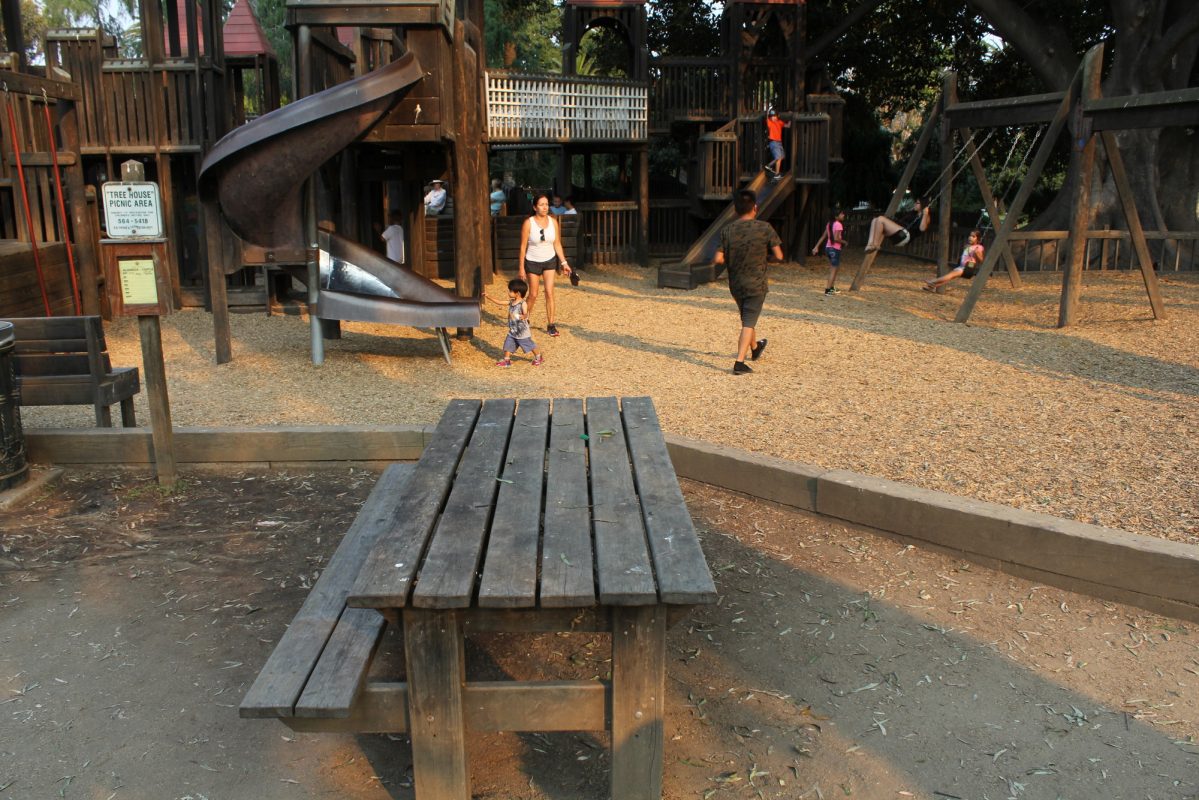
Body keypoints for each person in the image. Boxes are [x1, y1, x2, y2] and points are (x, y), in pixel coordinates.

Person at [714, 189, 783, 375]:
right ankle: (739, 362)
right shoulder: (765, 228)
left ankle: (755, 347)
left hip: (735, 283)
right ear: (755, 207)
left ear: (736, 210)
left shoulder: (727, 230)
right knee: (748, 322)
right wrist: (764, 259)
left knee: (747, 317)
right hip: (756, 282)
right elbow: (779, 255)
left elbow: (718, 259)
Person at [518, 192, 573, 337]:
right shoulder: (528, 223)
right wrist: (521, 268)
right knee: (533, 294)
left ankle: (551, 324)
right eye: (541, 205)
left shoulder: (553, 222)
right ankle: (524, 318)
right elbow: (523, 247)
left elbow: (557, 244)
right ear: (535, 207)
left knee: (549, 292)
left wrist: (564, 262)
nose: (545, 207)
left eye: (546, 204)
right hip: (532, 261)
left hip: (549, 260)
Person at [485, 278, 543, 367]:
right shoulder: (511, 302)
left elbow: (526, 314)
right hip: (513, 331)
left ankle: (538, 357)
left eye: (510, 291)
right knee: (508, 344)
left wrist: (522, 317)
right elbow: (500, 302)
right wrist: (489, 297)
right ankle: (507, 360)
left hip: (522, 332)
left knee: (529, 345)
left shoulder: (523, 304)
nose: (509, 292)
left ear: (518, 293)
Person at [865, 197, 931, 252]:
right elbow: (901, 222)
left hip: (905, 235)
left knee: (880, 219)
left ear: (923, 204)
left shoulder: (926, 217)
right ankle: (870, 244)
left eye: (917, 203)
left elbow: (922, 228)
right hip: (898, 234)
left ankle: (876, 245)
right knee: (875, 220)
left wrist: (925, 214)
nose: (915, 204)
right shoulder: (913, 213)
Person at [810, 208, 846, 295]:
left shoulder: (829, 224)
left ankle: (832, 288)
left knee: (835, 268)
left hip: (828, 249)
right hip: (835, 249)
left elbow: (823, 236)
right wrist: (844, 242)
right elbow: (837, 238)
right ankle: (827, 290)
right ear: (836, 216)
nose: (843, 215)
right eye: (841, 214)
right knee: (833, 270)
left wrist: (816, 247)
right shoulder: (838, 225)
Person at [764, 108, 790, 179]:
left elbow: (788, 126)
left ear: (777, 116)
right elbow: (767, 117)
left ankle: (773, 170)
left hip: (779, 142)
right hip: (773, 142)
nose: (773, 117)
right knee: (778, 158)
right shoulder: (769, 122)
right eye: (772, 116)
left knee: (782, 157)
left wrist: (791, 117)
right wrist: (767, 112)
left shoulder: (779, 122)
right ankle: (773, 170)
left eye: (774, 116)